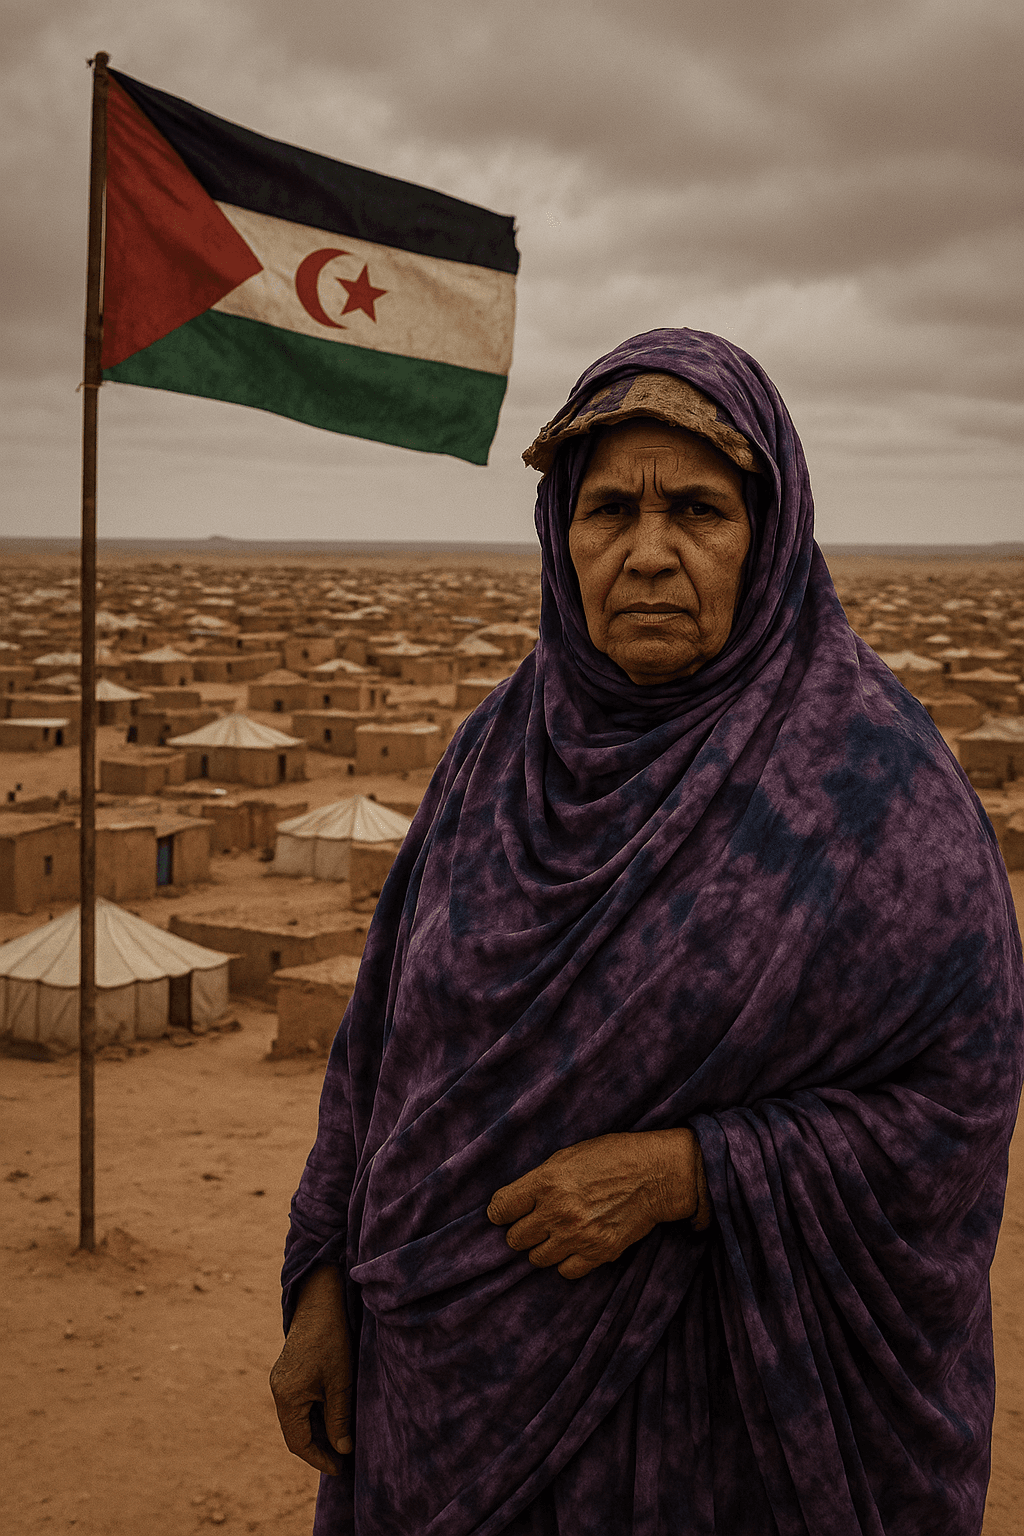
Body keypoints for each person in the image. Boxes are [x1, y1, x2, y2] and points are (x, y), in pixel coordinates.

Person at [271, 328, 1024, 1536]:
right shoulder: (493, 761)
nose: (649, 554)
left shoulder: (877, 790)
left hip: (728, 1440)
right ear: (559, 534)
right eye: (608, 509)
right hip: (441, 1400)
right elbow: (379, 1050)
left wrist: (693, 1172)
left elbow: (959, 1102)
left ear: (768, 533)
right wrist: (318, 1283)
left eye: (700, 510)